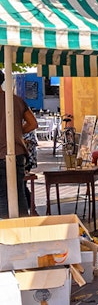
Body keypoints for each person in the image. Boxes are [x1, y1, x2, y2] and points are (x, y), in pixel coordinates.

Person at [0, 78, 38, 217]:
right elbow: (33, 123)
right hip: (16, 152)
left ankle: (5, 234)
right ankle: (22, 228)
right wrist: (15, 132)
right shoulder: (15, 100)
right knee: (19, 192)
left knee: (3, 196)